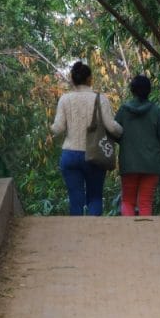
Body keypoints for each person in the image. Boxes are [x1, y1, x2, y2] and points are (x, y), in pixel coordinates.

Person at [50, 61, 122, 216]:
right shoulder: (100, 98)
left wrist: (51, 128)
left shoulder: (65, 99)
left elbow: (58, 128)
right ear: (90, 79)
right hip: (94, 155)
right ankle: (94, 235)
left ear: (73, 79)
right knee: (95, 197)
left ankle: (76, 235)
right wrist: (122, 131)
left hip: (70, 154)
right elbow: (111, 126)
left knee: (75, 198)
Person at [114, 74, 160, 217]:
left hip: (129, 163)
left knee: (128, 201)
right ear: (149, 91)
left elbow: (114, 132)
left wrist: (125, 141)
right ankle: (145, 236)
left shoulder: (123, 111)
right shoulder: (156, 112)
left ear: (132, 90)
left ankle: (128, 235)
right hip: (152, 164)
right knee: (145, 201)